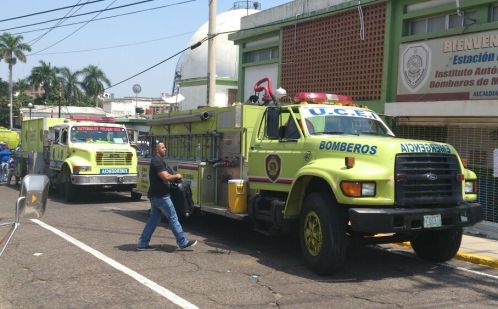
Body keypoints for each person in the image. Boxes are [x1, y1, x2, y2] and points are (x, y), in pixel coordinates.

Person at [137, 142, 197, 251]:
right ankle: (182, 242)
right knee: (173, 217)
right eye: (162, 147)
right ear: (156, 149)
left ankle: (142, 243)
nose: (165, 149)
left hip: (156, 195)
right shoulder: (157, 161)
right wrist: (176, 176)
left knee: (153, 220)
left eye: (165, 147)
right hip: (161, 196)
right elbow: (165, 176)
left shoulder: (159, 160)